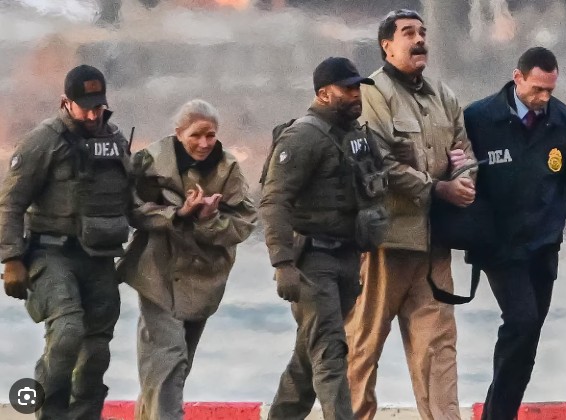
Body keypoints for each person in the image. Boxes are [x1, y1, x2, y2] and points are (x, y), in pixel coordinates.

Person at [343, 9, 476, 420]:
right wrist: (437, 187)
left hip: (433, 247)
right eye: (407, 33)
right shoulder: (372, 93)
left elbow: (465, 152)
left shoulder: (443, 96)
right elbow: (378, 161)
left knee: (438, 353)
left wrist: (464, 180)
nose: (419, 40)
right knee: (362, 348)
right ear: (387, 45)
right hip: (385, 244)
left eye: (422, 32)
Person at [463, 47, 566, 420]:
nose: (543, 98)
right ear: (518, 78)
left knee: (527, 340)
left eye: (550, 91)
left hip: (543, 244)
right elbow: (458, 176)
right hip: (499, 245)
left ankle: (499, 414)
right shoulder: (478, 119)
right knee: (521, 321)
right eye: (537, 89)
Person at [0, 64, 131, 419]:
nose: (92, 114)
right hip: (51, 252)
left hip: (99, 255)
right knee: (67, 332)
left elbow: (129, 196)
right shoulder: (44, 141)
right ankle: (47, 410)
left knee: (97, 350)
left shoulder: (115, 140)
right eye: (84, 107)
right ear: (66, 102)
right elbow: (10, 203)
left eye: (98, 106)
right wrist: (11, 258)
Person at [260, 56, 387, 420]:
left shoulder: (356, 136)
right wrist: (283, 263)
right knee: (330, 351)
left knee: (308, 358)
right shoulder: (303, 137)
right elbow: (274, 201)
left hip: (347, 258)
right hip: (313, 262)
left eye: (357, 87)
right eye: (346, 89)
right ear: (323, 93)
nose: (355, 94)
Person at [117, 99, 257, 420]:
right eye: (196, 135)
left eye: (211, 135)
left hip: (203, 277)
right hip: (158, 273)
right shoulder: (151, 161)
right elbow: (131, 208)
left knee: (178, 363)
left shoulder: (228, 169)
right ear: (178, 132)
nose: (204, 143)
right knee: (168, 355)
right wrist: (177, 213)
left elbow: (244, 222)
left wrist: (208, 219)